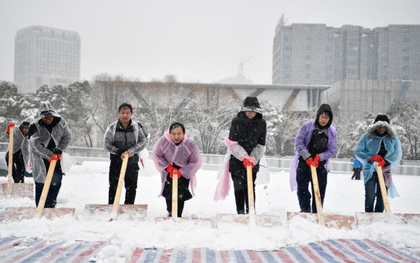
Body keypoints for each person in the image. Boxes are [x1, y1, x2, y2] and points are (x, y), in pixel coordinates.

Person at [219, 97, 267, 214]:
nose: (250, 113)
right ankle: (240, 212)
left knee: (250, 186)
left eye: (253, 110)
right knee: (239, 186)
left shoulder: (262, 123)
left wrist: (253, 158)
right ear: (243, 110)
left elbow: (261, 145)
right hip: (237, 159)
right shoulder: (236, 121)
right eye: (248, 110)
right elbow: (232, 143)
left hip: (253, 160)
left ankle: (251, 211)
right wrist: (244, 157)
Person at [290, 104, 337, 213]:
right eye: (322, 117)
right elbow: (299, 142)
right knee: (302, 190)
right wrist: (308, 156)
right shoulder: (307, 126)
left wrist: (319, 157)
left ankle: (317, 212)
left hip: (319, 165)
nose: (324, 120)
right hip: (304, 163)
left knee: (319, 191)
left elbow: (332, 150)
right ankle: (305, 210)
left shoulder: (331, 132)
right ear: (318, 116)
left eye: (327, 118)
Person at [152, 122, 201, 217]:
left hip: (183, 172)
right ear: (170, 133)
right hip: (168, 170)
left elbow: (195, 161)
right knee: (169, 193)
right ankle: (170, 212)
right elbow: (157, 155)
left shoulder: (190, 144)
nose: (176, 136)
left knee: (180, 194)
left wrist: (182, 171)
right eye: (174, 133)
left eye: (179, 133)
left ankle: (178, 214)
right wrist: (168, 167)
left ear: (184, 133)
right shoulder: (163, 141)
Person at [354, 114, 402, 213]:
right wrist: (371, 158)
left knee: (382, 195)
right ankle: (369, 216)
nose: (381, 129)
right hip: (370, 170)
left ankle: (379, 217)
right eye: (379, 126)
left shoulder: (392, 138)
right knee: (370, 195)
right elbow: (358, 150)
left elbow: (397, 153)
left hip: (385, 170)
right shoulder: (367, 137)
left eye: (384, 127)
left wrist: (386, 161)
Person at [28, 102, 72, 207]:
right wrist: (49, 155)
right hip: (39, 157)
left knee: (56, 180)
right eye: (45, 117)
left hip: (56, 156)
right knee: (41, 182)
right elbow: (35, 145)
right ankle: (40, 206)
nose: (48, 119)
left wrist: (59, 149)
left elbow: (67, 137)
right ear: (41, 117)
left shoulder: (61, 122)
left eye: (50, 116)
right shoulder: (34, 125)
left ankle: (51, 202)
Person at [104, 103, 148, 205]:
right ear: (119, 114)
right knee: (114, 186)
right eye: (122, 113)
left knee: (131, 187)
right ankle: (112, 206)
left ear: (131, 114)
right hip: (116, 162)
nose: (125, 115)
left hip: (132, 163)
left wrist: (132, 151)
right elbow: (106, 144)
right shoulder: (112, 128)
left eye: (127, 113)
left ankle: (129, 208)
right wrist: (118, 151)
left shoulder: (136, 127)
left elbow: (143, 141)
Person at [5, 117, 32, 183]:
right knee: (9, 162)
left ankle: (20, 182)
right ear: (22, 127)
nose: (26, 130)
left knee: (21, 171)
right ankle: (15, 178)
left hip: (23, 154)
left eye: (27, 128)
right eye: (25, 128)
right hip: (13, 151)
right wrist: (8, 130)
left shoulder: (31, 135)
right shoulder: (16, 131)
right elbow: (7, 137)